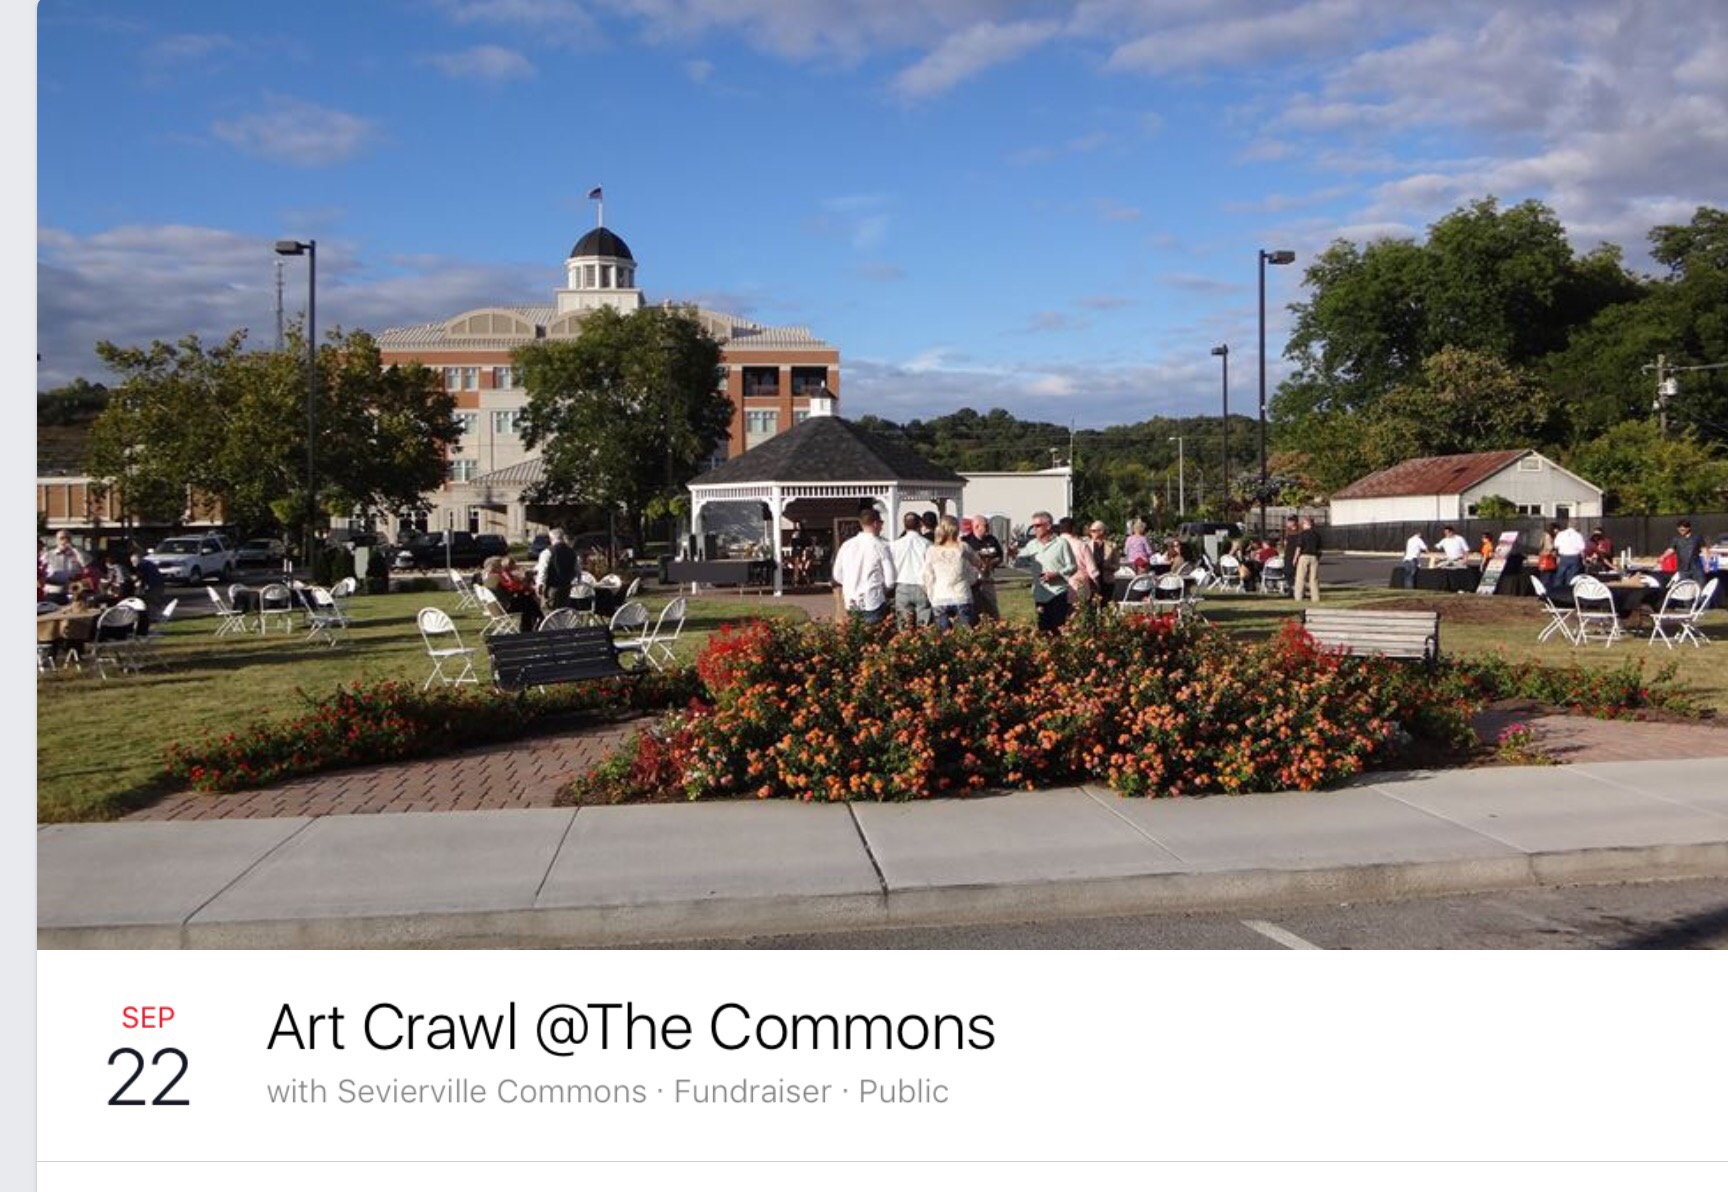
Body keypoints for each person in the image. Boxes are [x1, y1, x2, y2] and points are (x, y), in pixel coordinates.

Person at [831, 507, 896, 623]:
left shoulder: (847, 545)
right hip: (873, 599)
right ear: (875, 524)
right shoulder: (881, 546)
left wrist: (850, 584)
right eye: (881, 523)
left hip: (851, 599)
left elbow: (837, 574)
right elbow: (890, 579)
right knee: (874, 632)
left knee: (856, 632)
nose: (882, 527)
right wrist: (883, 589)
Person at [1016, 510, 1077, 633]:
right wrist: (1013, 554)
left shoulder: (1061, 543)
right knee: (1043, 631)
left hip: (1057, 593)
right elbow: (1018, 561)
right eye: (1033, 526)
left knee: (1058, 630)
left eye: (1038, 526)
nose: (1034, 529)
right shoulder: (1031, 545)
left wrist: (1057, 574)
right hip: (1040, 594)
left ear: (1048, 526)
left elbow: (1072, 566)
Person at [921, 516, 979, 632]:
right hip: (961, 594)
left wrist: (930, 594)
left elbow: (927, 576)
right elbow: (977, 563)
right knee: (966, 633)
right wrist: (972, 578)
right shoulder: (963, 547)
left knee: (944, 636)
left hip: (940, 596)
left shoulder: (932, 550)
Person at [889, 512, 932, 627]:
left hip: (902, 585)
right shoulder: (927, 544)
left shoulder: (895, 545)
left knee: (904, 624)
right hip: (921, 586)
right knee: (923, 625)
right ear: (920, 524)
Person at [962, 514, 1004, 621]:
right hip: (972, 581)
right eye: (985, 526)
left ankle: (995, 625)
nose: (988, 528)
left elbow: (1000, 556)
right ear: (976, 526)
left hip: (988, 579)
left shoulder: (992, 540)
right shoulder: (966, 541)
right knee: (975, 608)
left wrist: (992, 563)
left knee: (992, 607)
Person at [536, 527, 578, 611]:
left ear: (551, 539)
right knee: (562, 611)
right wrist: (576, 582)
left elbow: (543, 570)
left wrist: (539, 584)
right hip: (566, 587)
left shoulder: (547, 552)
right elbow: (577, 569)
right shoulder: (572, 552)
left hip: (552, 587)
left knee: (548, 611)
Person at [1059, 518, 1098, 607]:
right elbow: (1092, 569)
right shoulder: (1081, 545)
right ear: (1073, 528)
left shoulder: (1054, 545)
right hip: (1078, 585)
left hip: (1058, 586)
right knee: (1079, 612)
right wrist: (1097, 584)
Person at [40, 531, 86, 604]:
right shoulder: (48, 555)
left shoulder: (76, 554)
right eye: (62, 538)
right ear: (56, 541)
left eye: (68, 538)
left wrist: (75, 550)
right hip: (52, 593)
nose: (65, 541)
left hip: (72, 593)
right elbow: (40, 573)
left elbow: (85, 565)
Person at [1084, 521, 1120, 606]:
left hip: (1107, 581)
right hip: (1091, 581)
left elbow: (1117, 565)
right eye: (1090, 531)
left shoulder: (1112, 546)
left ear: (1101, 531)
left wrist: (1108, 567)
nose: (1091, 533)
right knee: (1091, 606)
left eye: (1093, 531)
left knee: (1105, 606)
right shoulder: (1086, 545)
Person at [1292, 516, 1322, 602]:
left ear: (1306, 524)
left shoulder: (1302, 534)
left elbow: (1299, 547)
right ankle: (1315, 597)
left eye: (1303, 524)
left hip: (1304, 556)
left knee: (1301, 577)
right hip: (1314, 557)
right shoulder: (1317, 535)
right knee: (1314, 578)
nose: (1302, 525)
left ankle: (1298, 597)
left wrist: (1295, 558)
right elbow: (1319, 549)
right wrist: (1318, 557)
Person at [1552, 521, 1587, 591]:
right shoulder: (1578, 535)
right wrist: (1583, 559)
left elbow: (1556, 545)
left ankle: (1556, 591)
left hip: (1563, 557)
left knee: (1560, 575)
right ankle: (1568, 591)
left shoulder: (1561, 534)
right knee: (1571, 577)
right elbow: (1582, 548)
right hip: (1575, 557)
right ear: (1576, 527)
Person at [1669, 519, 1705, 584]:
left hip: (1696, 568)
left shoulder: (1697, 537)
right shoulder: (1676, 539)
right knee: (1684, 586)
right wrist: (1662, 557)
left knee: (1700, 585)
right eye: (1679, 530)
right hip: (1682, 569)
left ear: (1688, 528)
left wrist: (1707, 563)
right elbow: (1670, 550)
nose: (1680, 532)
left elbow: (1704, 549)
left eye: (1682, 530)